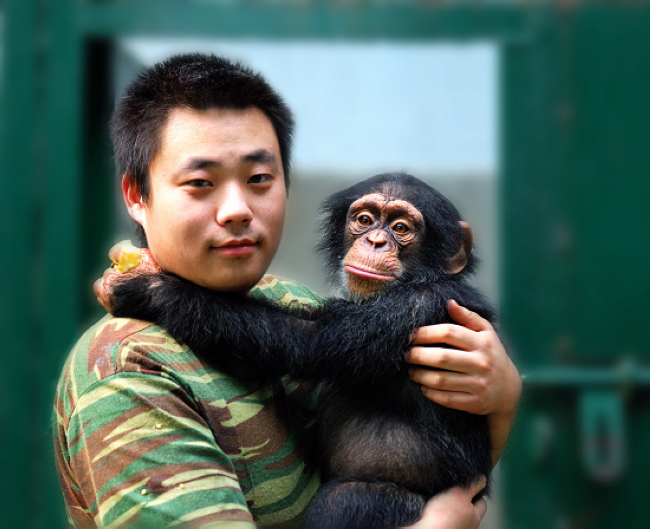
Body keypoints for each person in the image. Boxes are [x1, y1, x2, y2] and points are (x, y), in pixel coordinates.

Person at [53, 53, 521, 528]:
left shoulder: (300, 304)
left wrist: (503, 399)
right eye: (200, 182)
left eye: (258, 179)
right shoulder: (127, 371)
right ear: (137, 195)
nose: (236, 209)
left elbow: (431, 452)